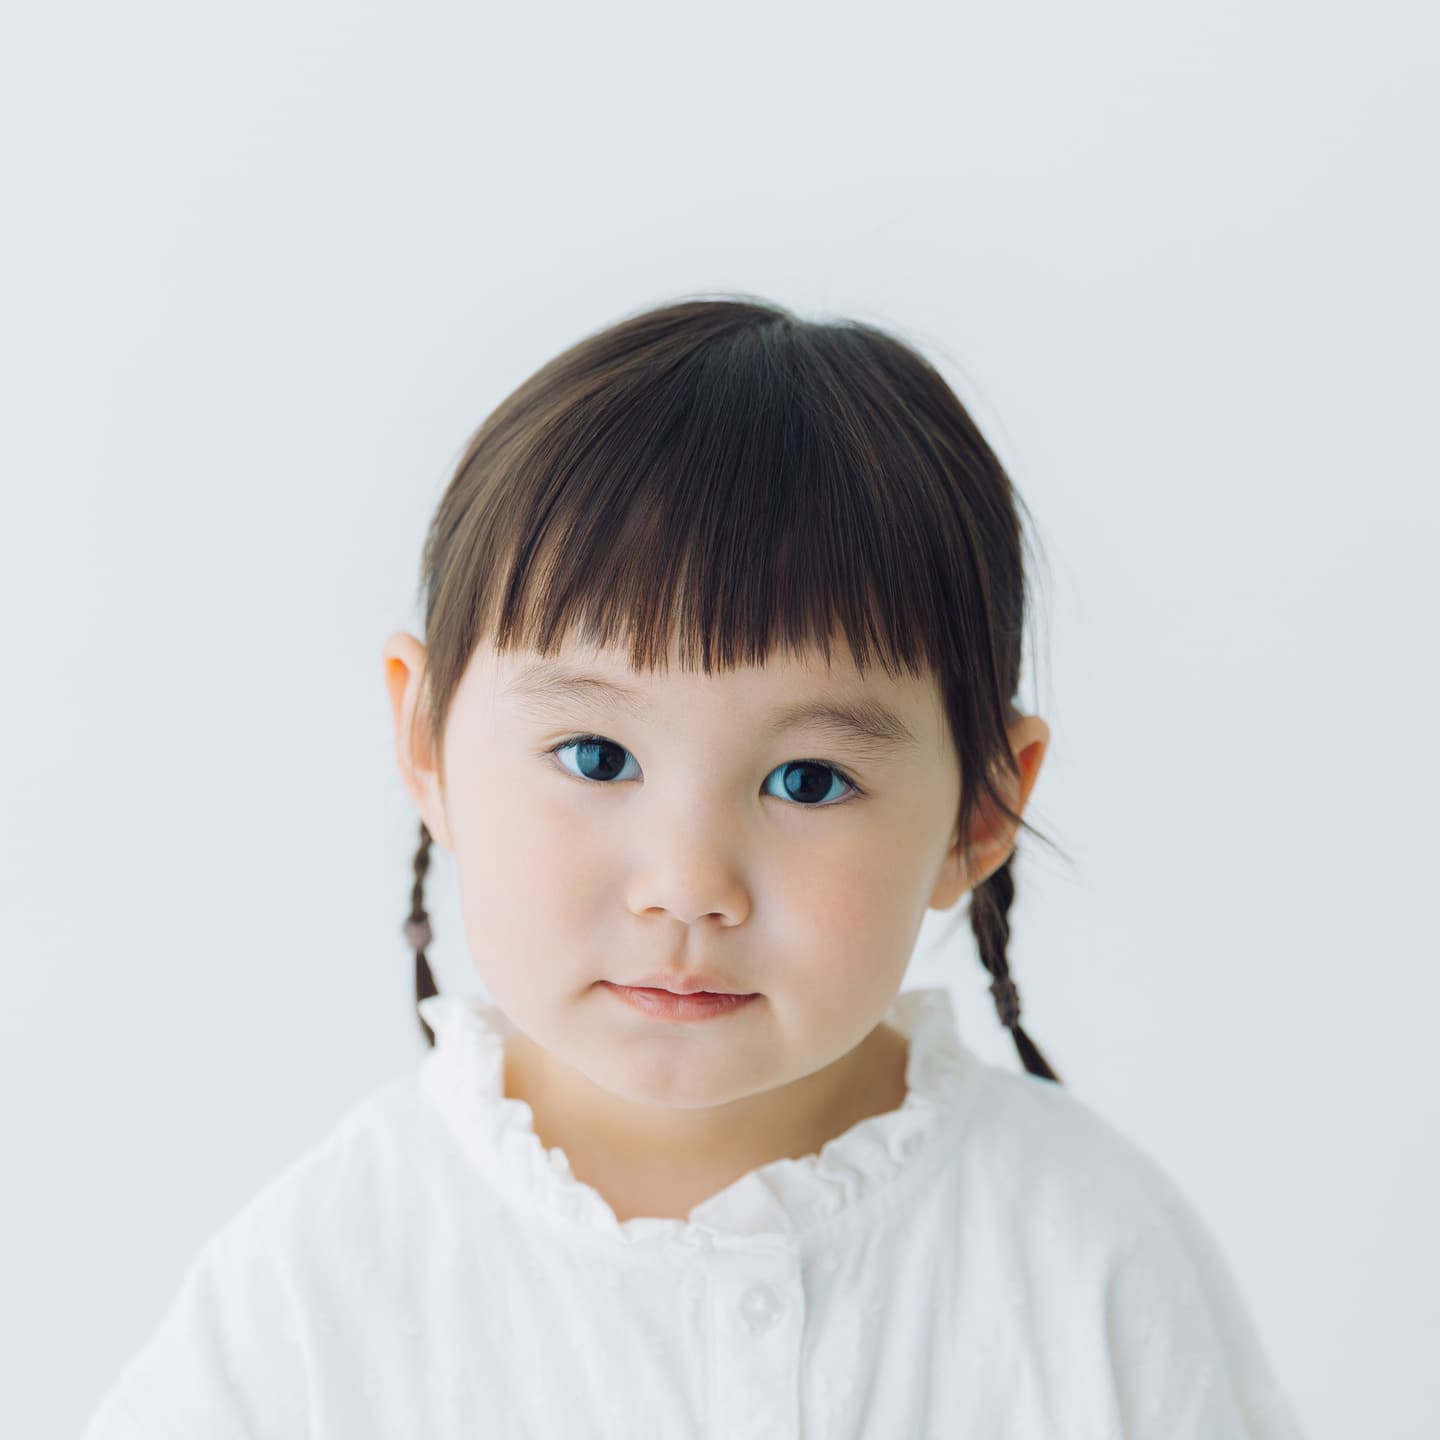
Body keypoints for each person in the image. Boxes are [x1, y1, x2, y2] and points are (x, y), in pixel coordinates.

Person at [81, 298, 1307, 1437]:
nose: (686, 884)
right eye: (597, 755)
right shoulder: (318, 1288)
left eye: (808, 780)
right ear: (427, 742)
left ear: (978, 813)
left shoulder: (1091, 1259)